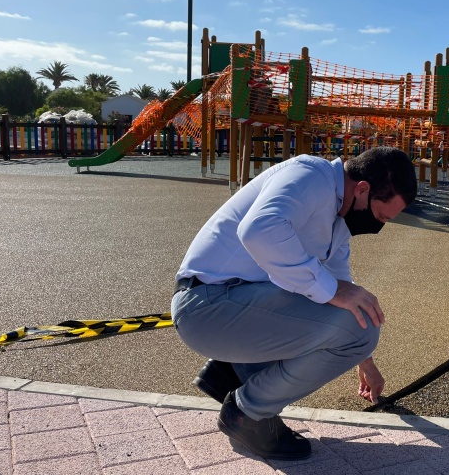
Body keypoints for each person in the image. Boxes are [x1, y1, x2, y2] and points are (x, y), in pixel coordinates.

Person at [171, 146, 418, 460]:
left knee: (354, 319)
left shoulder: (337, 217)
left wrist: (364, 360)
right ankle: (247, 414)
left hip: (227, 305)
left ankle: (231, 373)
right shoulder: (311, 175)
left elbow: (343, 295)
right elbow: (259, 229)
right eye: (381, 216)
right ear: (362, 189)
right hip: (206, 307)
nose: (378, 226)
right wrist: (335, 295)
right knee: (357, 325)